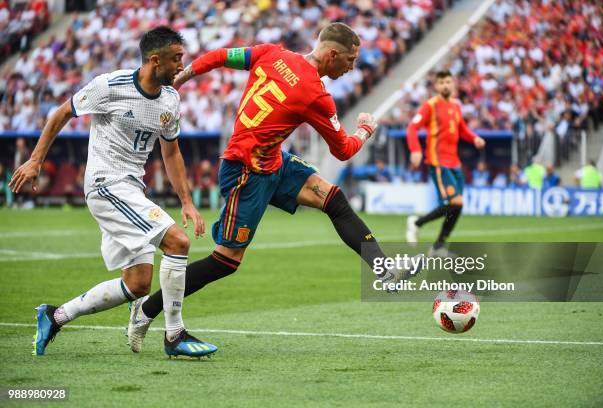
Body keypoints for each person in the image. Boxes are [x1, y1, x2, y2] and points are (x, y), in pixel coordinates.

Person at [127, 22, 421, 353]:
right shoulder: (316, 95)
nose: (352, 67)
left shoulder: (271, 53)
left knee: (333, 200)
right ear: (332, 54)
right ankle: (146, 310)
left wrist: (186, 75)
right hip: (245, 172)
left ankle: (384, 270)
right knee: (225, 261)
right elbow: (343, 150)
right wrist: (366, 129)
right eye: (350, 60)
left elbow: (223, 55)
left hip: (273, 162)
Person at [9, 27, 214, 358]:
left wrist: (187, 202)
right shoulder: (110, 86)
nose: (182, 66)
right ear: (154, 60)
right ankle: (175, 335)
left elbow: (171, 152)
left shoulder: (170, 99)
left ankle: (55, 316)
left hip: (131, 188)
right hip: (105, 184)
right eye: (176, 59)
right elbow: (61, 113)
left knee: (138, 284)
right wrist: (34, 161)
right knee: (178, 242)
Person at [405, 70, 486, 256]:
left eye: (448, 82)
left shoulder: (456, 105)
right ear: (436, 86)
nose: (445, 85)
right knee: (455, 201)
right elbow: (412, 128)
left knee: (458, 205)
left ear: (453, 84)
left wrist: (474, 139)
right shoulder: (430, 106)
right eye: (442, 83)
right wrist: (416, 150)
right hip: (438, 162)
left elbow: (462, 129)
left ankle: (438, 246)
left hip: (455, 162)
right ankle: (416, 223)